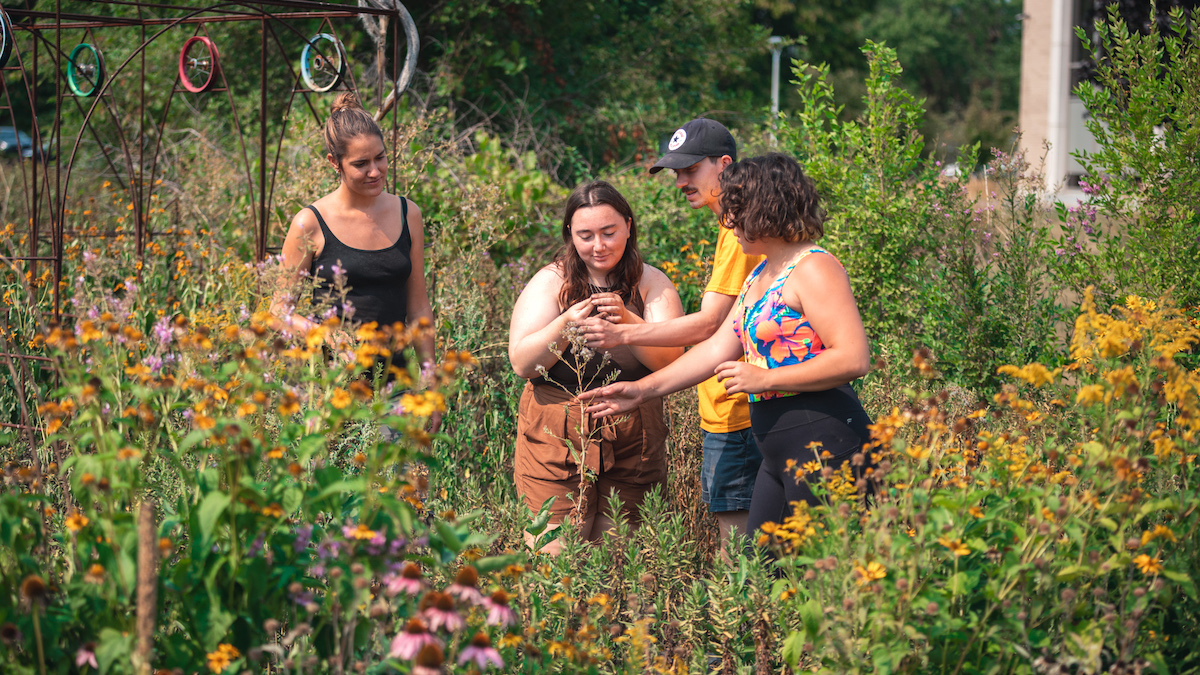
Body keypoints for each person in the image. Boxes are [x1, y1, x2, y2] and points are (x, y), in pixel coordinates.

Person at [583, 153, 873, 537]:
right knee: (756, 564)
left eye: (735, 210)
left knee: (824, 565)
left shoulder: (813, 268)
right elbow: (717, 347)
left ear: (765, 209)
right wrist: (641, 390)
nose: (728, 221)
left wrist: (766, 379)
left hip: (823, 440)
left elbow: (853, 358)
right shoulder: (760, 274)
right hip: (778, 450)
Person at [581, 118, 763, 550]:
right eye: (676, 173)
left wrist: (628, 330)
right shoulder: (731, 227)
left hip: (741, 412)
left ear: (724, 165)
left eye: (691, 170)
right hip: (732, 408)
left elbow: (711, 323)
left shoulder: (739, 228)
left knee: (740, 554)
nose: (681, 182)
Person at [508, 180, 684, 555]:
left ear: (628, 227)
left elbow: (672, 363)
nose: (598, 246)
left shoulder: (651, 282)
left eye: (609, 232)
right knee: (556, 559)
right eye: (585, 236)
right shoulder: (551, 281)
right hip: (556, 434)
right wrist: (566, 323)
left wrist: (627, 323)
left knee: (621, 559)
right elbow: (523, 363)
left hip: (634, 433)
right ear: (570, 235)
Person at [271, 91, 434, 379]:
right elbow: (277, 312)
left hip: (396, 385)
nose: (375, 171)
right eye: (361, 164)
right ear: (334, 162)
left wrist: (430, 374)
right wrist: (326, 335)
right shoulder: (310, 223)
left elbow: (419, 307)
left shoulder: (408, 213)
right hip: (333, 387)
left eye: (380, 158)